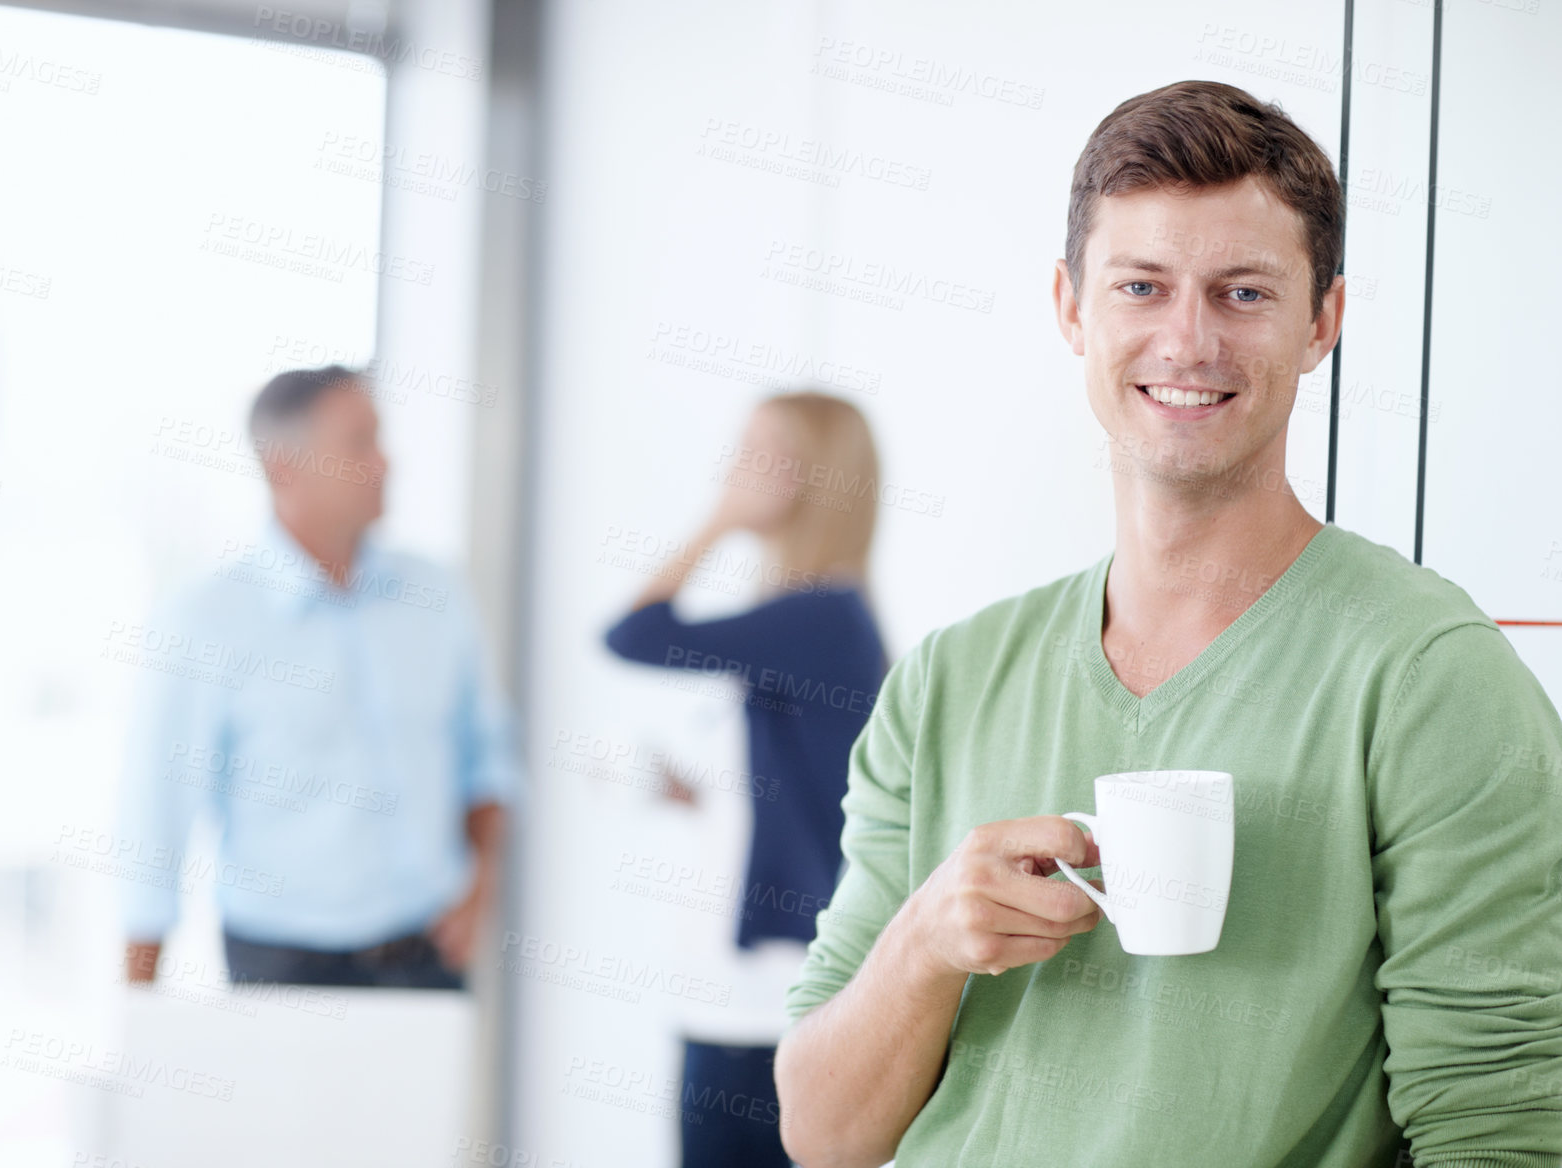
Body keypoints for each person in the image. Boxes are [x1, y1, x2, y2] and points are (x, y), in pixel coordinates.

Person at [775, 80, 1562, 1167]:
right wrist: (926, 942)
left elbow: (1501, 1132)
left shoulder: (1430, 677)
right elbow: (822, 1135)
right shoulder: (948, 679)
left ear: (1323, 321)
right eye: (1141, 285)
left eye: (1243, 292)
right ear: (1071, 307)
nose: (1187, 340)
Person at [119, 365, 520, 990]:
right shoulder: (207, 620)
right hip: (283, 965)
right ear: (284, 467)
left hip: (427, 956)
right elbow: (157, 816)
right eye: (360, 443)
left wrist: (479, 890)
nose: (386, 463)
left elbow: (488, 758)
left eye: (381, 438)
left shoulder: (438, 596)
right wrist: (138, 1013)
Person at [603, 391, 889, 1168]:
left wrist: (719, 519)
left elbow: (634, 633)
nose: (737, 468)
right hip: (735, 989)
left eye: (762, 453)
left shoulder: (821, 617)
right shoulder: (804, 618)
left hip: (768, 1002)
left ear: (812, 478)